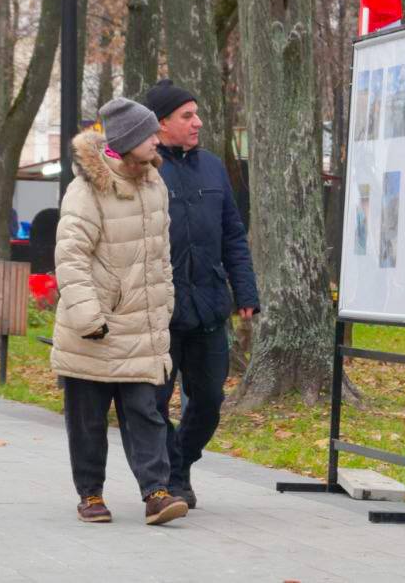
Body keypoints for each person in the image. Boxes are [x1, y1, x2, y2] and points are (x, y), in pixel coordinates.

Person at [50, 96, 188, 527]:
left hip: (141, 325)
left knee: (147, 411)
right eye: (149, 134)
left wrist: (164, 306)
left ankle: (157, 493)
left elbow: (160, 257)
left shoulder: (154, 185)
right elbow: (71, 255)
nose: (157, 139)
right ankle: (90, 495)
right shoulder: (86, 189)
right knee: (87, 419)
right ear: (128, 140)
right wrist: (89, 317)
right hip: (96, 327)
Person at [143, 79, 260, 510]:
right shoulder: (146, 168)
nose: (198, 122)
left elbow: (233, 232)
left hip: (210, 304)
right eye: (187, 116)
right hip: (159, 309)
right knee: (153, 403)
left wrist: (244, 289)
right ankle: (168, 479)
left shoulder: (213, 167)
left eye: (197, 113)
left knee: (209, 398)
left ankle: (180, 463)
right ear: (161, 124)